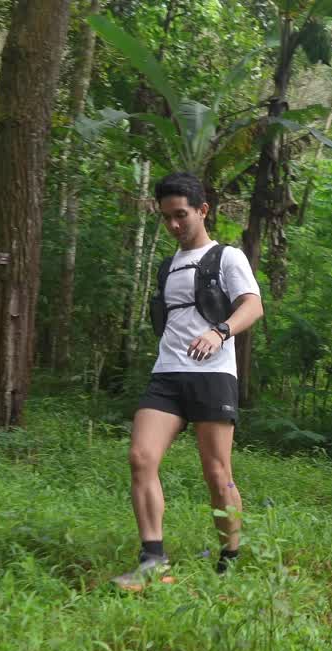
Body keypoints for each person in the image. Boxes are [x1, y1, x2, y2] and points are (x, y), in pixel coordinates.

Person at [112, 172, 264, 589]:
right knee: (141, 457)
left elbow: (252, 306)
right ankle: (152, 559)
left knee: (216, 472)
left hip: (212, 374)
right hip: (167, 373)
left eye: (181, 215)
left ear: (202, 210)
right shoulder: (168, 266)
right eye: (166, 217)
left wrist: (220, 332)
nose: (174, 224)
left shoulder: (226, 257)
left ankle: (230, 556)